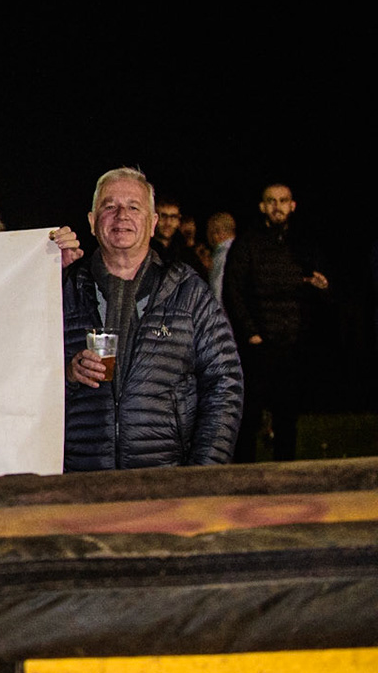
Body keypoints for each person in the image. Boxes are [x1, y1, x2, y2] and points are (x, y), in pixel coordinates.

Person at [62, 169, 242, 470]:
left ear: (153, 223)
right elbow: (21, 380)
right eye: (110, 206)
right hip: (81, 478)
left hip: (165, 478)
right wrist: (67, 374)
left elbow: (225, 383)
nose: (121, 215)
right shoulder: (63, 290)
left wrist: (203, 471)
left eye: (134, 207)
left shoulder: (188, 292)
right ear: (92, 222)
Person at [222, 183, 328, 462]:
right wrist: (250, 333)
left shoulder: (302, 245)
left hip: (291, 343)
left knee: (287, 415)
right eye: (271, 201)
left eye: (283, 201)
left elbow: (313, 289)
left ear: (292, 206)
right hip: (259, 345)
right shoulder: (247, 244)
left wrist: (319, 287)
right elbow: (232, 291)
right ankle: (243, 473)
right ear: (262, 206)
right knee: (250, 414)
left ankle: (286, 474)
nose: (277, 206)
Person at [206, 211, 236, 306]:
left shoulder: (221, 256)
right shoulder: (242, 251)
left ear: (217, 233)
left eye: (209, 231)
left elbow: (217, 289)